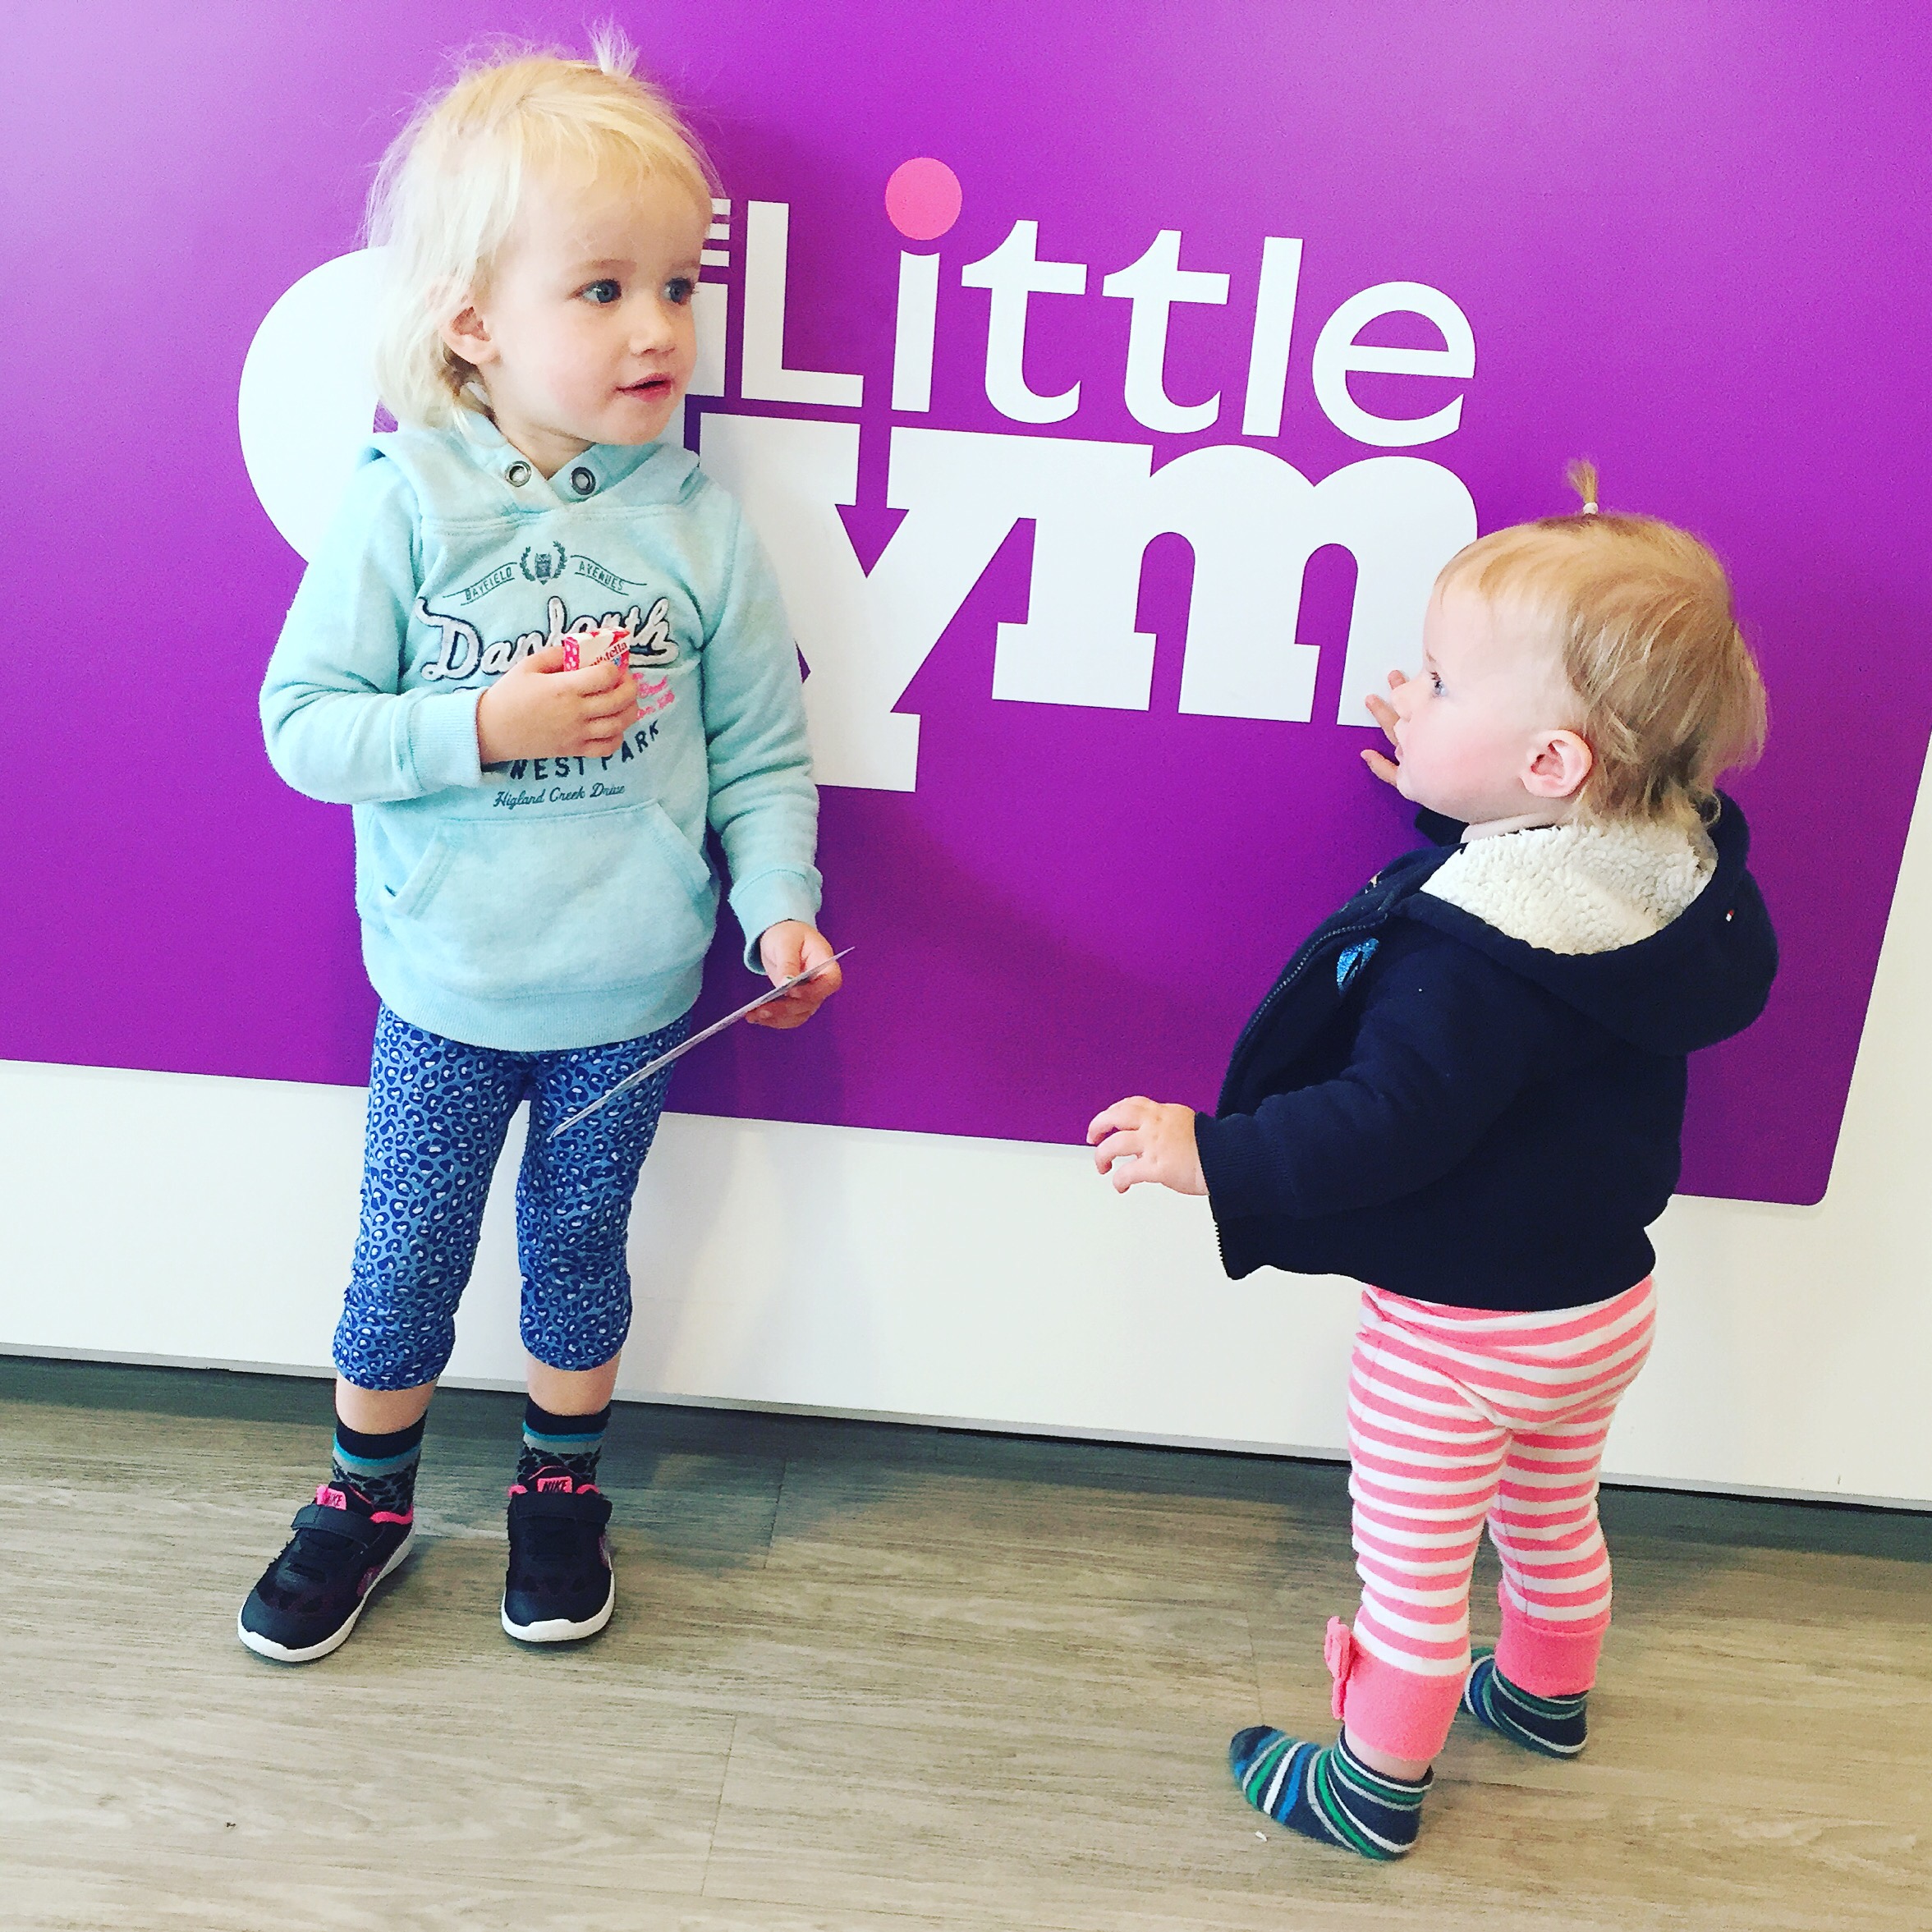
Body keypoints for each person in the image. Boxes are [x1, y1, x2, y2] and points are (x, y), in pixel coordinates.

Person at [242, 34, 839, 1663]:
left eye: (677, 284)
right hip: (445, 989)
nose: (657, 327)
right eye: (601, 289)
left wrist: (779, 909)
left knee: (578, 1254)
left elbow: (764, 755)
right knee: (405, 1258)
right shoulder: (404, 502)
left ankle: (560, 1489)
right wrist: (483, 728)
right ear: (472, 322)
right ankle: (363, 1499)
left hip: (629, 994)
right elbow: (304, 728)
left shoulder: (699, 523)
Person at [1088, 466, 1774, 1858]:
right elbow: (1539, 876)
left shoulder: (1466, 960)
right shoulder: (1655, 870)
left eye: (1444, 684)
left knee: (1410, 1576)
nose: (1410, 693)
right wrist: (1453, 770)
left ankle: (1369, 1788)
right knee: (1552, 1518)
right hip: (1600, 1308)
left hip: (1454, 1339)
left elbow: (1382, 1121)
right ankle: (1540, 1698)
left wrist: (1210, 1151)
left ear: (1550, 765)